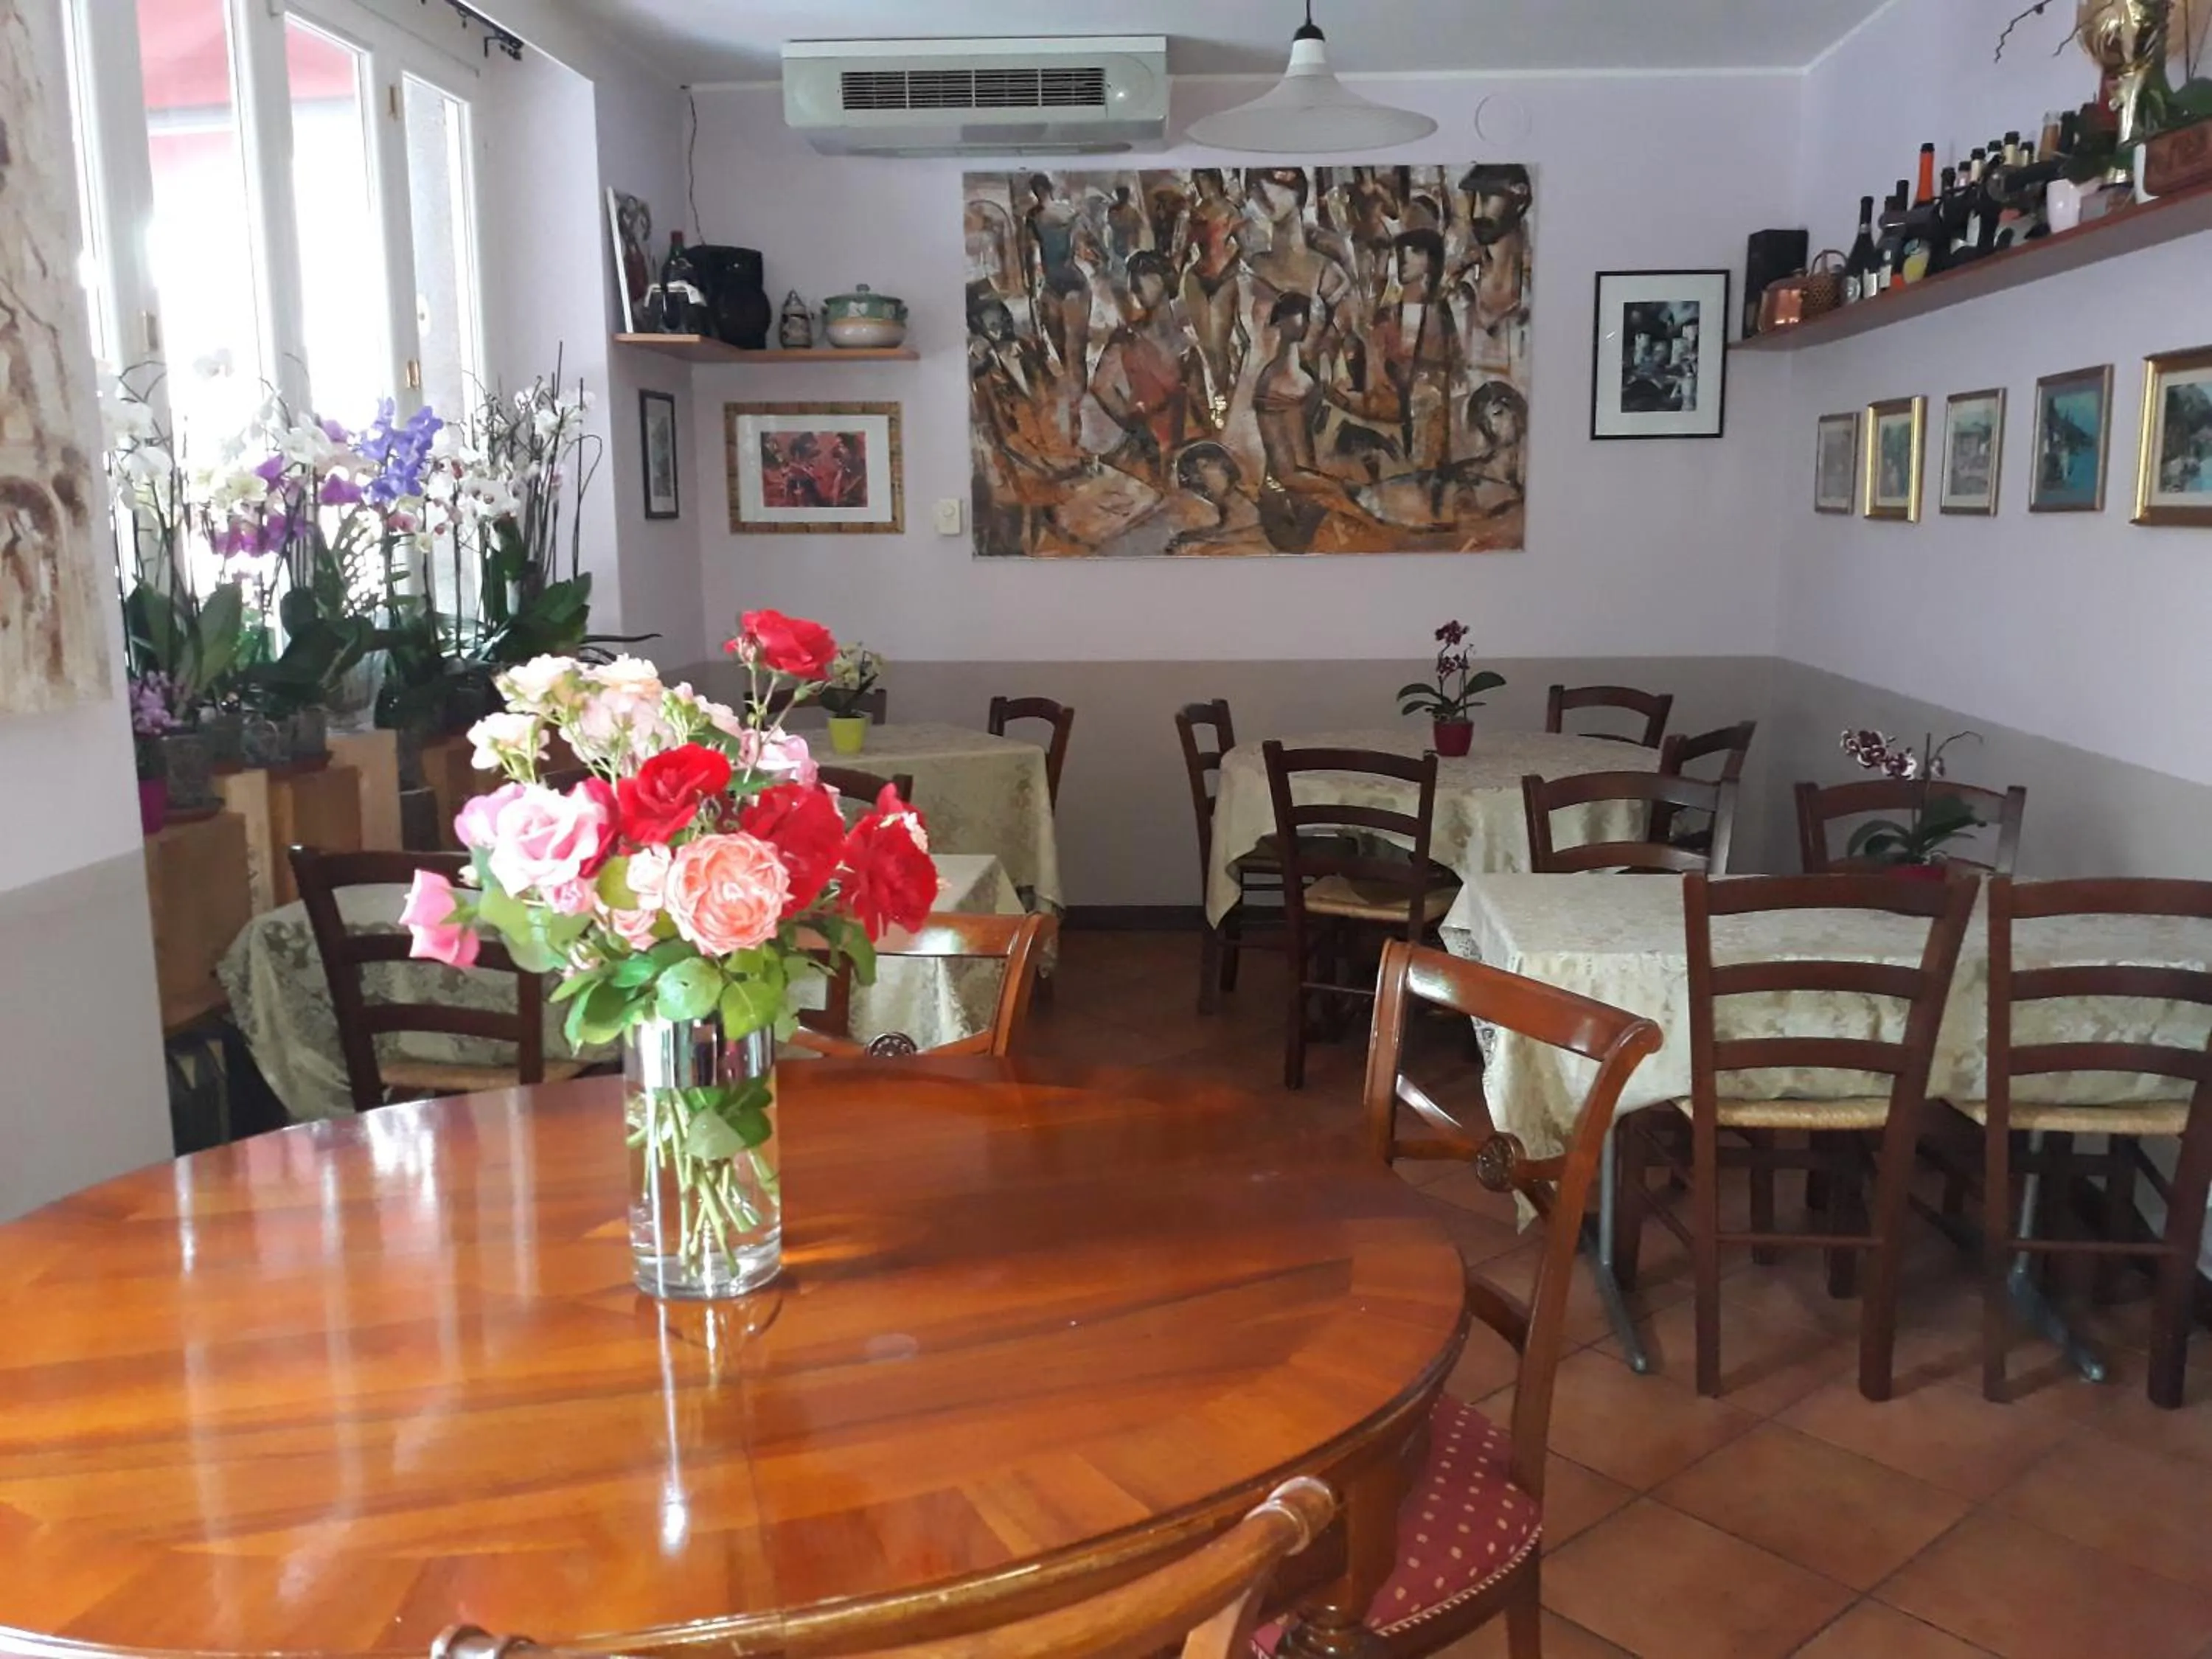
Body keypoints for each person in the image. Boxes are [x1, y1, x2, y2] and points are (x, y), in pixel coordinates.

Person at [1090, 250, 1194, 486]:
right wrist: (1134, 424)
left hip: (1182, 444)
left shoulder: (1186, 340)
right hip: (1149, 445)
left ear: (1164, 280)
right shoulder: (1128, 338)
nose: (1137, 284)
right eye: (1134, 277)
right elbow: (1100, 387)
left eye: (1146, 275)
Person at [1177, 169, 1247, 433]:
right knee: (1208, 346)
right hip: (1197, 277)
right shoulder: (1196, 212)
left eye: (1204, 180)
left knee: (1219, 342)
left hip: (1225, 278)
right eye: (1198, 181)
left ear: (1214, 180)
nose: (1202, 186)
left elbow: (1245, 246)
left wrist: (1234, 269)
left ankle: (1223, 396)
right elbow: (1184, 247)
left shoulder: (1231, 210)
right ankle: (1220, 392)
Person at [1020, 173, 1095, 403]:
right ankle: (1077, 400)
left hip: (1064, 285)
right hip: (1062, 284)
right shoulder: (1054, 214)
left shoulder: (1046, 215)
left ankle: (1077, 405)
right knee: (1068, 348)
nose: (1039, 193)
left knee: (1070, 349)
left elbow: (1031, 258)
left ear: (1041, 190)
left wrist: (1032, 291)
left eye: (1039, 189)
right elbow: (1030, 253)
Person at [1165, 441, 1269, 554]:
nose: (1196, 479)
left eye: (1204, 465)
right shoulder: (1189, 535)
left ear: (1226, 465)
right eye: (1189, 473)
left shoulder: (1255, 517)